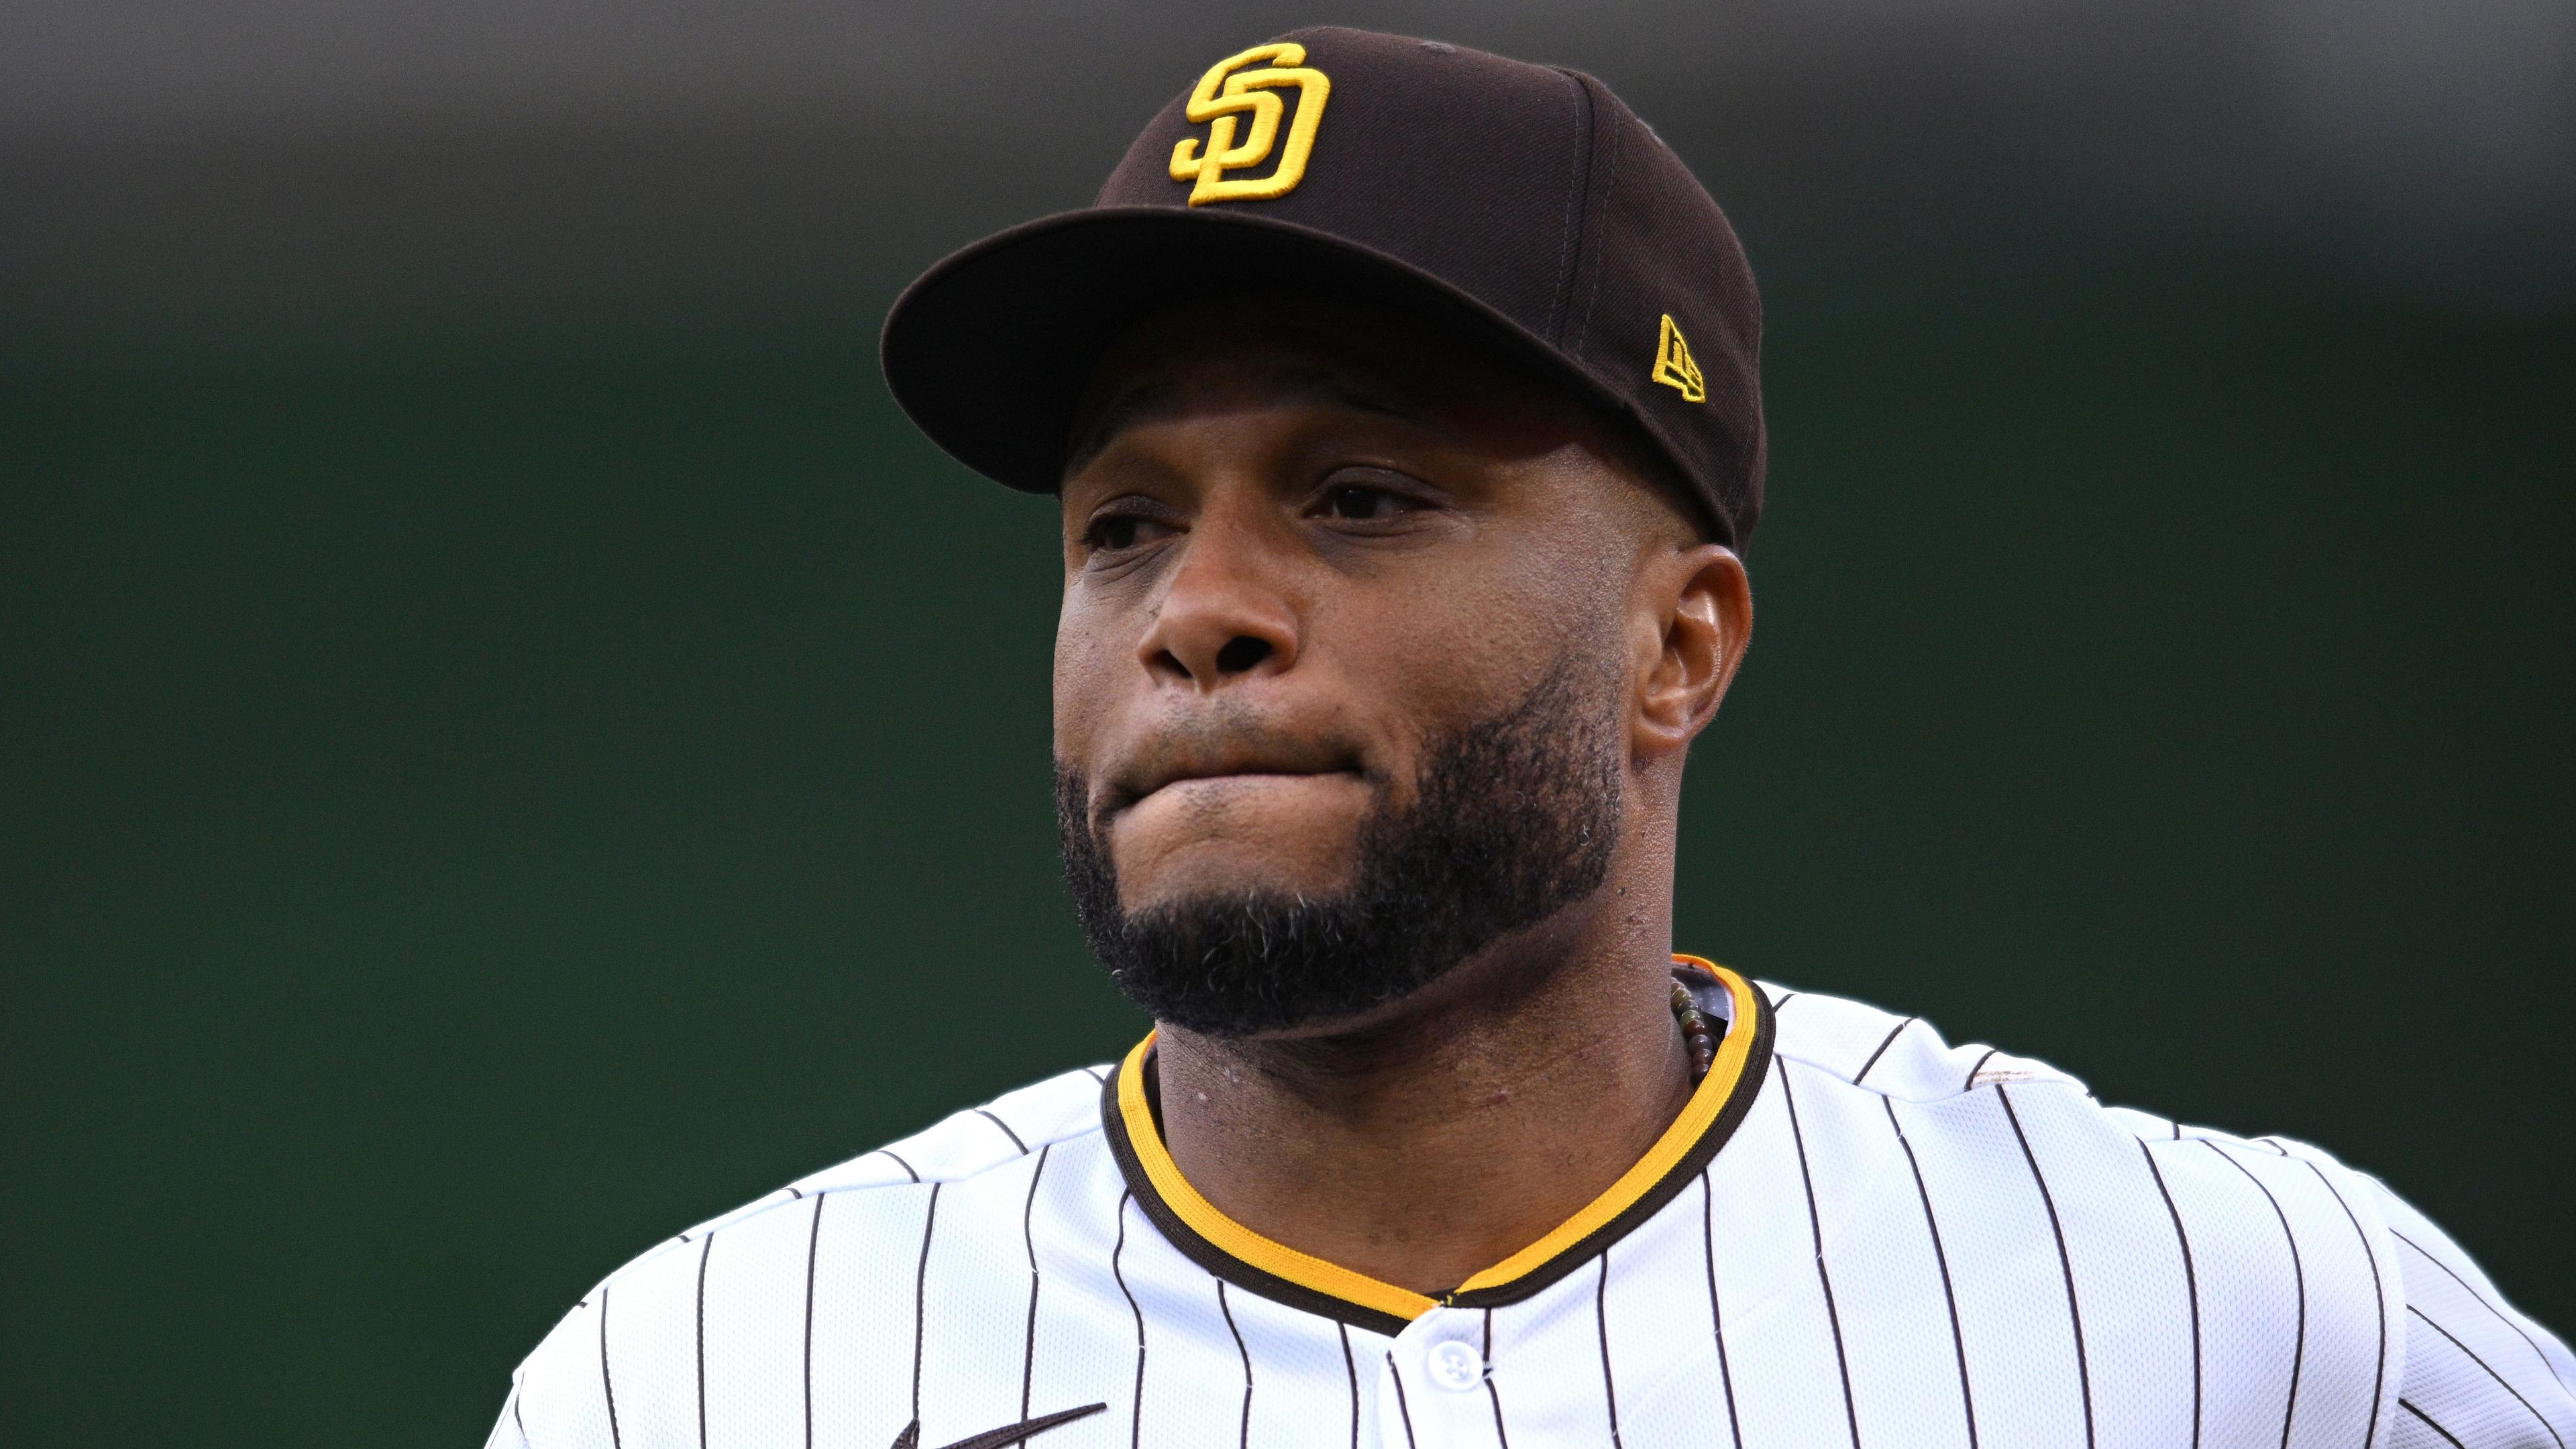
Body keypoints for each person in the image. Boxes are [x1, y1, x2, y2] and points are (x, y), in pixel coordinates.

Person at [488, 28, 2569, 1449]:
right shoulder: (717, 1379)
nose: (1195, 609)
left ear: (1681, 646)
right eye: (1124, 526)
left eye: (1360, 494)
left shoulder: (2219, 1317)